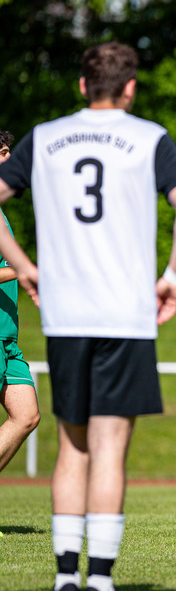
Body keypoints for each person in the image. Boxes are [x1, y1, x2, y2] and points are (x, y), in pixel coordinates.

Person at [0, 42, 176, 591]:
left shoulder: (43, 137)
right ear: (131, 87)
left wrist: (23, 267)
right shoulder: (148, 138)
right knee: (110, 448)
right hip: (125, 314)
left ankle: (64, 581)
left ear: (81, 87)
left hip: (65, 313)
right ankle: (101, 582)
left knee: (73, 447)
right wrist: (174, 277)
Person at [0, 129, 41, 478]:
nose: (8, 160)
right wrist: (24, 270)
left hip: (7, 342)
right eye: (2, 152)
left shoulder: (2, 215)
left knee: (27, 415)